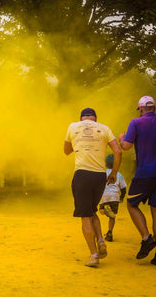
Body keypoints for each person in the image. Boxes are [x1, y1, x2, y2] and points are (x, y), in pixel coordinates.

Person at [119, 96, 156, 266]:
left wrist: (121, 139)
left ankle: (146, 238)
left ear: (141, 109)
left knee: (131, 204)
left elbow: (126, 147)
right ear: (155, 107)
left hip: (145, 173)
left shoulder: (136, 123)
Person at [64, 108, 122, 267]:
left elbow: (66, 151)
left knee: (85, 216)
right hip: (99, 176)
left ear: (81, 118)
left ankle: (94, 255)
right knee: (92, 210)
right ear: (95, 118)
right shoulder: (104, 128)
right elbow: (117, 151)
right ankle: (101, 240)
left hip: (82, 175)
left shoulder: (73, 126)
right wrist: (114, 173)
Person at [98, 154, 127, 242]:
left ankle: (103, 209)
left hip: (104, 196)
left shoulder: (102, 173)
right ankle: (110, 232)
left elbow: (98, 185)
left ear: (105, 164)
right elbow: (123, 188)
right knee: (112, 217)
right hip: (114, 197)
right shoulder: (118, 174)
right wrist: (121, 197)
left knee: (101, 210)